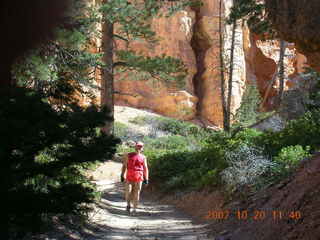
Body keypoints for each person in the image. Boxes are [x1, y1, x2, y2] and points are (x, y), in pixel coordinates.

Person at [121, 141, 149, 214]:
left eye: (140, 146)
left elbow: (145, 168)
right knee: (128, 192)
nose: (139, 148)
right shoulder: (128, 155)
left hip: (139, 176)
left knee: (137, 193)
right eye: (138, 146)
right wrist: (122, 175)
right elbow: (124, 165)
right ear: (135, 147)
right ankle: (128, 205)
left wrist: (146, 178)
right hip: (129, 175)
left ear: (142, 148)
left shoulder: (143, 157)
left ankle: (134, 209)